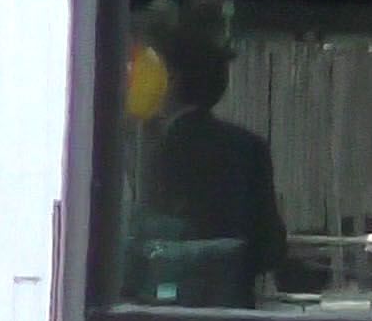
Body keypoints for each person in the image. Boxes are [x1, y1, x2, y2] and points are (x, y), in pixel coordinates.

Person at [126, 34, 317, 305]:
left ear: (171, 80)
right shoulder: (249, 146)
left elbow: (141, 244)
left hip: (165, 314)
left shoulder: (156, 150)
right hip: (231, 314)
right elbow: (270, 247)